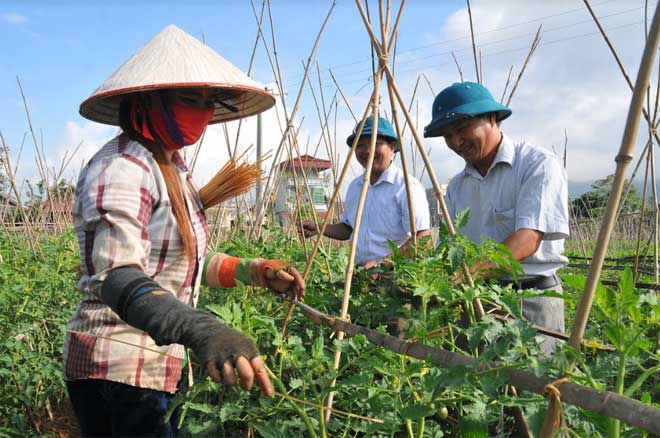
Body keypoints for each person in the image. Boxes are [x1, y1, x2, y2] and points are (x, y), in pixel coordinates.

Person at [62, 25, 304, 437]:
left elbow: (185, 262)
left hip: (150, 367)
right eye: (190, 100)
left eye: (210, 104)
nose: (203, 114)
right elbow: (116, 274)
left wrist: (255, 270)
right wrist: (203, 328)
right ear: (146, 101)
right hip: (117, 369)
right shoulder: (122, 167)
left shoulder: (171, 168)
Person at [424, 81, 569, 354]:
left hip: (531, 300)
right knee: (477, 385)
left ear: (492, 117)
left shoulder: (537, 164)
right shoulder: (457, 186)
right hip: (477, 299)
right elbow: (449, 247)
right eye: (447, 136)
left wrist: (463, 276)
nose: (456, 142)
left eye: (462, 129)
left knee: (535, 388)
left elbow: (527, 240)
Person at [300, 116, 431, 270]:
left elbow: (423, 237)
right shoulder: (356, 187)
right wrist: (319, 227)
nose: (367, 151)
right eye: (361, 145)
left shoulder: (407, 186)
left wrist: (381, 265)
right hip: (361, 275)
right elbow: (349, 229)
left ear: (392, 147)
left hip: (398, 276)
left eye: (376, 143)